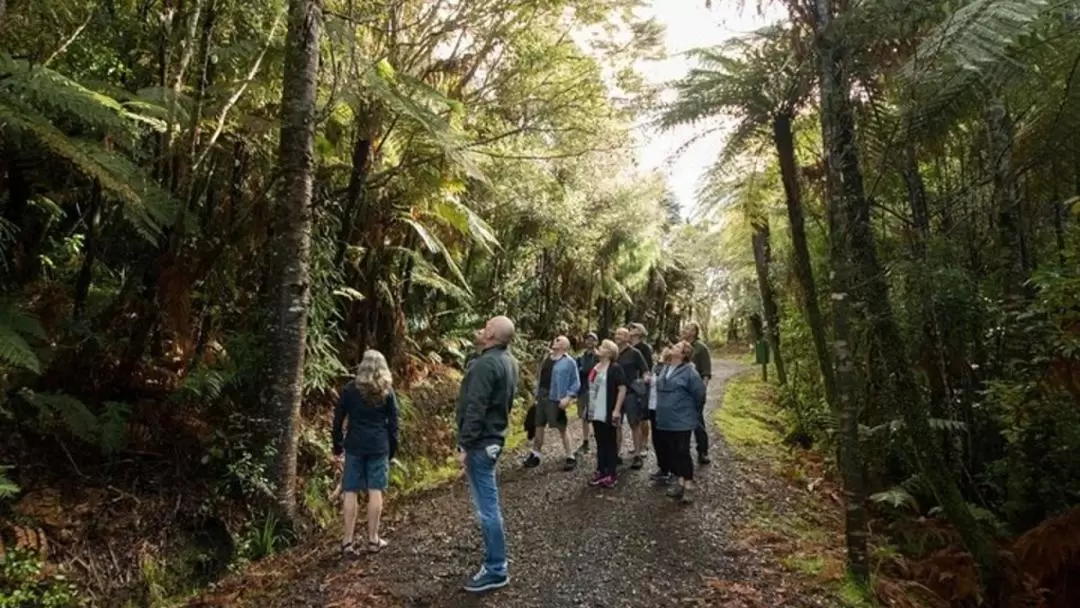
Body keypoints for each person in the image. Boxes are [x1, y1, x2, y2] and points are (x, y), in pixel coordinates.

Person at [455, 315, 519, 593]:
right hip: (493, 440)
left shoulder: (486, 364)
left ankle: (496, 568)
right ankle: (496, 563)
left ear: (492, 333)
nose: (481, 327)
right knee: (488, 504)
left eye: (486, 325)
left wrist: (464, 444)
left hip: (482, 443)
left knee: (487, 508)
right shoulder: (508, 361)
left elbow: (476, 407)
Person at [331, 349, 399, 556]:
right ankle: (373, 539)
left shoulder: (350, 389)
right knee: (375, 490)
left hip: (354, 446)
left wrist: (337, 444)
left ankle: (347, 542)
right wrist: (392, 448)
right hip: (378, 446)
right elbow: (394, 424)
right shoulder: (386, 391)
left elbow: (338, 419)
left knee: (350, 490)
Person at [654, 340, 706, 503]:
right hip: (665, 419)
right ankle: (680, 483)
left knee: (683, 451)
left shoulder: (690, 372)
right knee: (672, 452)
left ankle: (689, 485)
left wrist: (691, 412)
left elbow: (699, 394)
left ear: (684, 354)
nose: (673, 347)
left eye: (677, 347)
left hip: (682, 419)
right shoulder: (666, 367)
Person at [523, 336, 580, 471]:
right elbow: (540, 377)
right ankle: (535, 455)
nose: (556, 339)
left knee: (562, 427)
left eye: (559, 340)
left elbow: (575, 382)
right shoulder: (546, 358)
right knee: (538, 425)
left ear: (565, 346)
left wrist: (568, 398)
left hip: (555, 399)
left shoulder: (569, 362)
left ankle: (570, 456)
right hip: (541, 397)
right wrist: (535, 396)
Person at [587, 339, 627, 488]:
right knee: (600, 442)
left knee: (610, 442)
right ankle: (600, 470)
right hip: (595, 410)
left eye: (603, 347)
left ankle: (610, 473)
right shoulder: (596, 367)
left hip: (608, 410)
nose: (599, 348)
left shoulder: (615, 368)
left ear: (609, 353)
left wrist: (616, 409)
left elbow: (622, 389)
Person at [613, 327, 649, 470]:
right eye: (616, 333)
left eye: (621, 334)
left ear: (628, 337)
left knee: (634, 424)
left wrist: (644, 381)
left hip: (631, 394)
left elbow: (645, 370)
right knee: (616, 424)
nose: (618, 336)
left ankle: (637, 456)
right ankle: (615, 454)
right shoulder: (613, 353)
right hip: (615, 394)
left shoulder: (635, 353)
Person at [681, 321, 713, 465]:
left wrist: (701, 391)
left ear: (694, 332)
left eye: (688, 328)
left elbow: (706, 373)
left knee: (697, 421)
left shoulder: (701, 348)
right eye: (684, 328)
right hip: (680, 390)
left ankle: (703, 451)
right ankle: (682, 452)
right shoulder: (680, 346)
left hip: (695, 390)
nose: (684, 330)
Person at [648, 346, 674, 484]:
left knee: (665, 439)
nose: (660, 356)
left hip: (664, 409)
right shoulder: (656, 368)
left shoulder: (671, 371)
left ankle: (669, 469)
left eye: (664, 355)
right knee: (657, 439)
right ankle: (662, 468)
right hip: (653, 407)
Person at [628, 322, 655, 454]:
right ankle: (637, 444)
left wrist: (644, 381)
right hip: (631, 386)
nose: (630, 330)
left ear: (640, 331)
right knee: (634, 418)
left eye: (633, 328)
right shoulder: (629, 347)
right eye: (630, 328)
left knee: (644, 417)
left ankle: (645, 443)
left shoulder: (645, 348)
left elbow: (648, 368)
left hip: (642, 386)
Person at [575, 332, 599, 455]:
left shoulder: (599, 356)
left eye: (592, 340)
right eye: (588, 339)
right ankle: (585, 441)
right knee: (583, 417)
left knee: (593, 416)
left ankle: (598, 440)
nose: (590, 342)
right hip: (582, 389)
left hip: (595, 390)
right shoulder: (580, 356)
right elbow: (577, 372)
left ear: (596, 342)